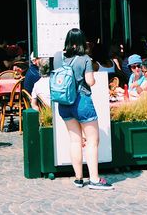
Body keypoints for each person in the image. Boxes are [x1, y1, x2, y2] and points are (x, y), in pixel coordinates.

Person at [55, 28, 109, 190]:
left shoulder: (58, 57)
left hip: (64, 103)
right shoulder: (84, 59)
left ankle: (78, 178)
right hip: (81, 101)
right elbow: (90, 81)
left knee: (75, 141)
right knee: (92, 141)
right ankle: (94, 179)